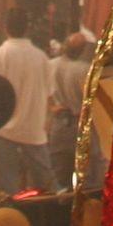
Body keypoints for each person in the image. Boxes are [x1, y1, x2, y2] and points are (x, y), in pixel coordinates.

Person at [0, 8, 54, 194]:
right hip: (34, 127)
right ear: (27, 28)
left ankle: (12, 210)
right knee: (45, 182)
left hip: (5, 128)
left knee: (9, 183)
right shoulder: (41, 57)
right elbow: (50, 93)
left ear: (5, 28)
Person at [48, 30, 93, 189]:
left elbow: (42, 92)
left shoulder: (50, 65)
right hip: (80, 124)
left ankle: (62, 202)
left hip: (59, 124)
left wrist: (52, 107)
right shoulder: (85, 70)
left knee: (59, 173)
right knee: (86, 175)